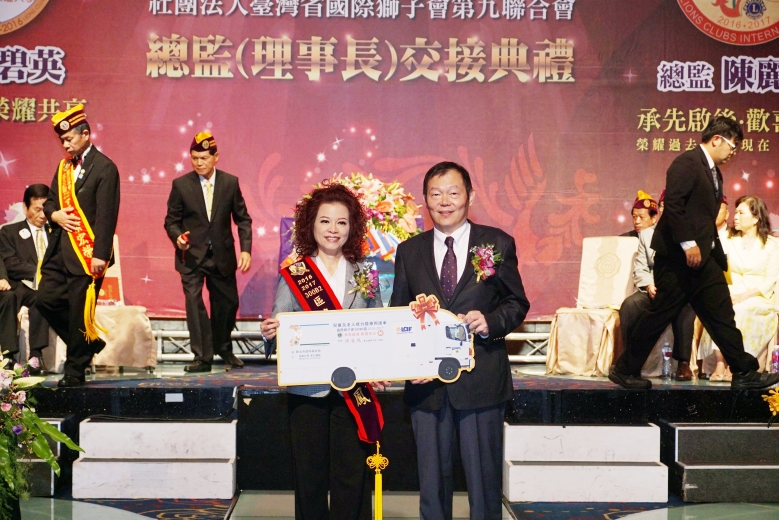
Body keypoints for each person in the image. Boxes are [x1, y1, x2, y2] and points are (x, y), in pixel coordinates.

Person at [391, 162, 530, 520]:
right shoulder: (409, 251)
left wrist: (490, 322)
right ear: (425, 200)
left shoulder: (497, 243)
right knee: (431, 484)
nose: (445, 201)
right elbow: (398, 315)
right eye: (436, 194)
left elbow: (517, 303)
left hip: (481, 380)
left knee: (484, 482)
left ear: (470, 196)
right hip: (427, 386)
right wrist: (409, 364)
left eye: (453, 193)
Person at [610, 116, 779, 391]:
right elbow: (674, 206)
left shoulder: (714, 172)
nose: (733, 152)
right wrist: (688, 244)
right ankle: (624, 369)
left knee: (721, 314)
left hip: (705, 260)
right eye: (732, 146)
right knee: (659, 314)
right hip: (678, 259)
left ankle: (743, 371)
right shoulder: (686, 163)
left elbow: (702, 216)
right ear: (717, 140)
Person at [260, 183, 385, 520]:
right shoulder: (295, 274)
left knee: (352, 474)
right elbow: (280, 322)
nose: (333, 229)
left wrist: (380, 368)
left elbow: (378, 326)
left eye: (342, 222)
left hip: (353, 389)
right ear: (310, 225)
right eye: (325, 221)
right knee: (309, 476)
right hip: (307, 389)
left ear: (352, 227)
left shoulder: (366, 273)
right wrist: (271, 332)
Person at [37, 104, 120, 387]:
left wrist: (100, 255)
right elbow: (50, 201)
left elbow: (107, 216)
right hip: (60, 250)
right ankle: (87, 345)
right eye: (62, 140)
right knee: (44, 300)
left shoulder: (105, 168)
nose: (65, 144)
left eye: (69, 138)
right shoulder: (63, 168)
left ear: (86, 134)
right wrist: (55, 215)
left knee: (79, 312)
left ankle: (75, 370)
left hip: (87, 254)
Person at [164, 132, 252, 373]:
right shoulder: (181, 185)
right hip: (191, 255)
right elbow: (171, 221)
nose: (198, 163)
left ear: (216, 157)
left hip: (222, 255)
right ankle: (202, 357)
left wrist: (245, 250)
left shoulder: (230, 183)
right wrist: (178, 238)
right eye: (194, 158)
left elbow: (243, 219)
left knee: (227, 304)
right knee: (194, 302)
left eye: (203, 158)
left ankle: (223, 347)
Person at [699, 195, 779, 380]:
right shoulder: (727, 239)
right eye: (735, 213)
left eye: (741, 213)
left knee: (741, 309)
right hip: (729, 290)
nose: (735, 217)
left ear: (755, 218)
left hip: (756, 295)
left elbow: (769, 280)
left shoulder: (772, 244)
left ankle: (736, 364)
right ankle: (720, 362)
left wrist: (744, 295)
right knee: (718, 307)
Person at [619, 220, 696, 381]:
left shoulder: (687, 233)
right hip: (653, 288)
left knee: (685, 307)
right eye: (663, 208)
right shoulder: (647, 234)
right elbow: (640, 267)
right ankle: (631, 364)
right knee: (630, 305)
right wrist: (649, 285)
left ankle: (683, 363)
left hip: (678, 290)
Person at [0, 184, 53, 374]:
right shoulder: (9, 232)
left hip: (47, 287)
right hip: (19, 285)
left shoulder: (55, 232)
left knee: (42, 298)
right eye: (37, 209)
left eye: (46, 210)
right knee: (8, 298)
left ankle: (36, 356)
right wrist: (40, 271)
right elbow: (10, 262)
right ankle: (9, 356)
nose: (42, 215)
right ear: (25, 207)